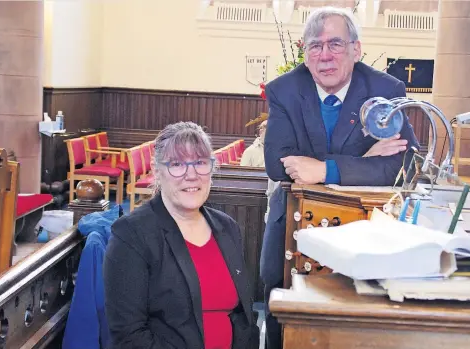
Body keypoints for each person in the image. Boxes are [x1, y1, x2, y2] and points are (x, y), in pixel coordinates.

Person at [259, 7, 420, 349]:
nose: (325, 55)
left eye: (335, 43)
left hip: (360, 228)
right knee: (283, 316)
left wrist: (326, 170)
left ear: (355, 49)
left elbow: (407, 164)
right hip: (293, 225)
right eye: (315, 46)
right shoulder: (285, 90)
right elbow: (277, 163)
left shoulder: (384, 88)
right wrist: (362, 160)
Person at [104, 122, 259, 349]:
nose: (192, 175)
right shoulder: (131, 234)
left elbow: (243, 316)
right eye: (177, 164)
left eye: (200, 163)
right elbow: (129, 336)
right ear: (157, 172)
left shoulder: (228, 227)